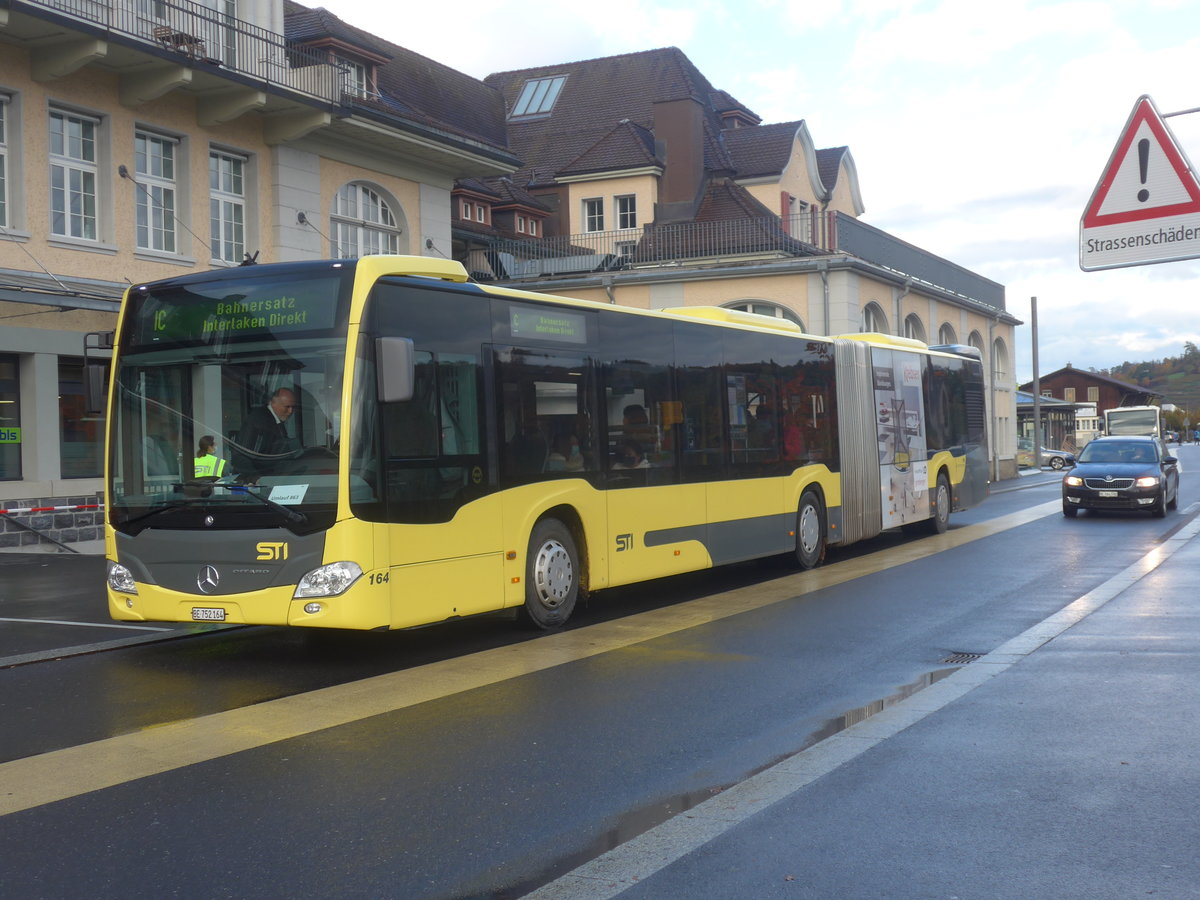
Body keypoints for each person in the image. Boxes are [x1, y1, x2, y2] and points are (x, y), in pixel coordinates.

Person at [231, 387, 298, 480]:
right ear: (273, 403)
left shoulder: (275, 421)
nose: (290, 411)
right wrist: (256, 479)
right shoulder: (260, 422)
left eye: (293, 407)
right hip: (256, 484)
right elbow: (243, 456)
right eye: (287, 407)